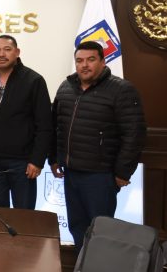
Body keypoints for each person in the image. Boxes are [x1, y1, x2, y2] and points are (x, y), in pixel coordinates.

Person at [51, 41, 146, 251]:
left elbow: (134, 134)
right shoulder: (66, 88)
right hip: (72, 173)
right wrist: (55, 158)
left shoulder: (122, 90)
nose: (84, 65)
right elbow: (56, 126)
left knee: (101, 232)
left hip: (101, 176)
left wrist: (123, 172)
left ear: (103, 61)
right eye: (79, 60)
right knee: (77, 227)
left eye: (91, 59)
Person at [0, 35, 53, 209]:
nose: (2, 54)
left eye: (7, 49)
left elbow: (45, 125)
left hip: (22, 162)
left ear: (17, 52)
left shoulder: (33, 80)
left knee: (24, 214)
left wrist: (37, 160)